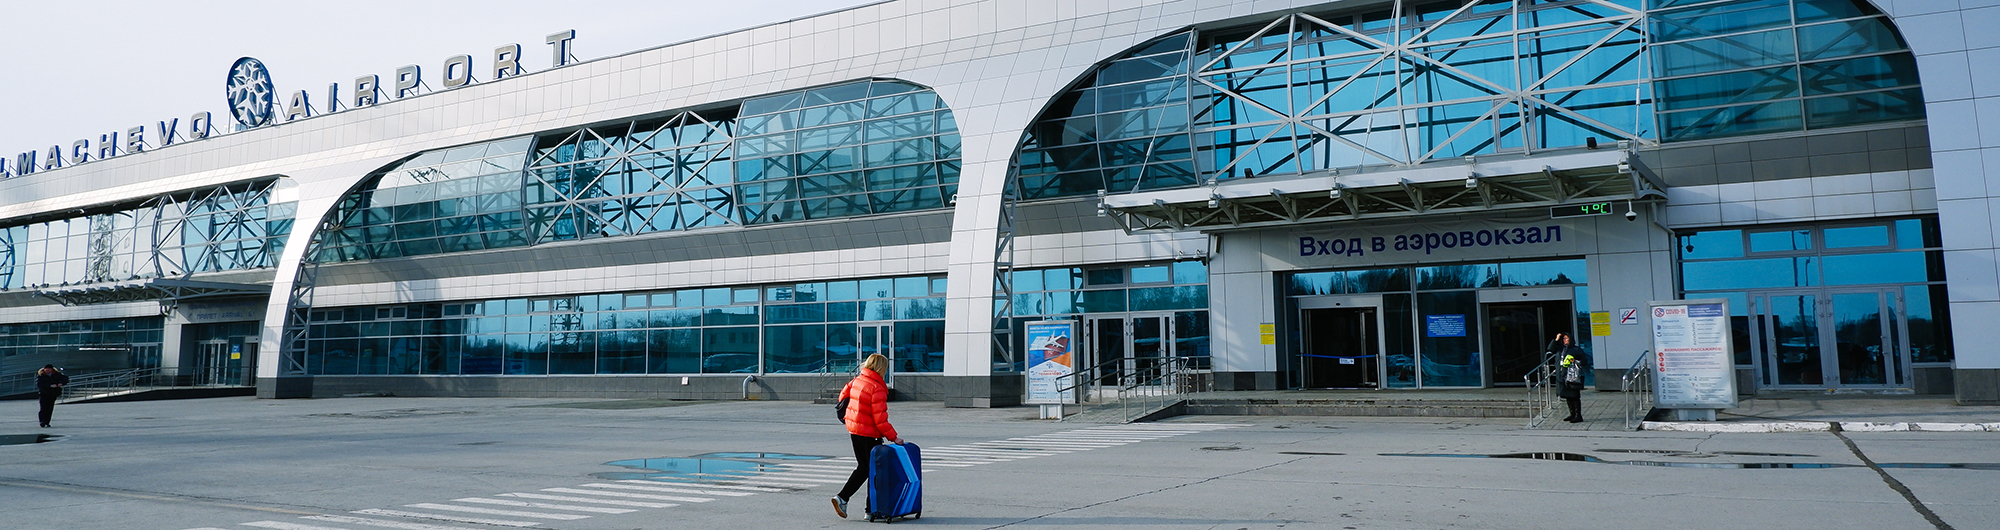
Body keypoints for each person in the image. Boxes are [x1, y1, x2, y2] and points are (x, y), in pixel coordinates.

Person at [832, 353, 902, 519]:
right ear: (881, 368)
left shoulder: (857, 380)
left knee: (866, 468)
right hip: (870, 434)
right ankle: (851, 501)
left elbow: (843, 397)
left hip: (854, 430)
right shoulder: (876, 387)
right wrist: (894, 437)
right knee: (871, 470)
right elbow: (880, 419)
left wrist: (852, 415)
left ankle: (866, 508)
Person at [1548, 334, 1591, 423]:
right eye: (1563, 338)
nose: (1564, 340)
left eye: (1566, 338)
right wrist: (1556, 339)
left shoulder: (1576, 349)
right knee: (1567, 396)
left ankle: (1578, 415)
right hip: (1562, 376)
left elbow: (1584, 361)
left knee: (1574, 396)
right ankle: (1572, 414)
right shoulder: (1560, 349)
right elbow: (1551, 349)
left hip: (1572, 376)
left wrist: (1575, 361)